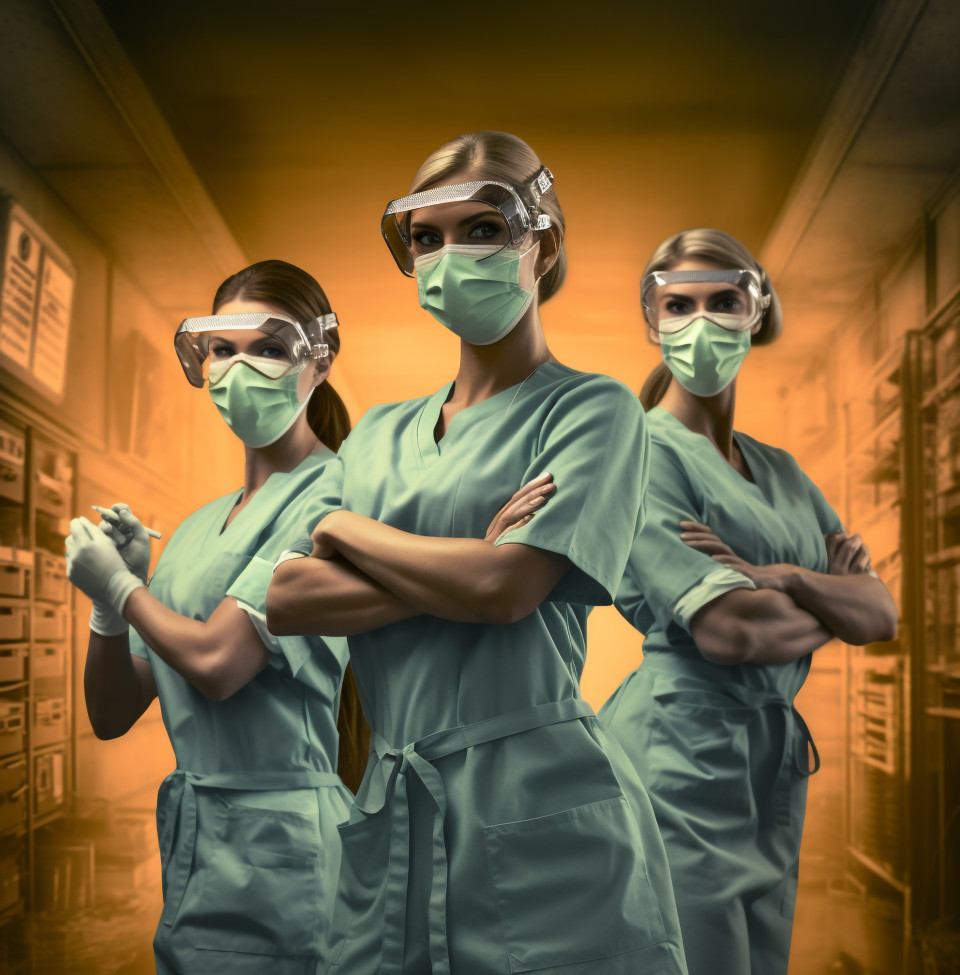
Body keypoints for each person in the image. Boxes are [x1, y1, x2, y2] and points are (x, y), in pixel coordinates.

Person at [267, 131, 688, 975]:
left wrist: (352, 533)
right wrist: (468, 558)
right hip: (393, 812)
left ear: (544, 244)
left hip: (542, 806)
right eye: (427, 237)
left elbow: (506, 590)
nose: (448, 255)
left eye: (483, 230)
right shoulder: (381, 430)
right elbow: (288, 596)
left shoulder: (592, 413)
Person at [598, 228, 899, 975]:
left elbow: (883, 613)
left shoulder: (783, 470)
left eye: (723, 301)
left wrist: (790, 581)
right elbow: (731, 630)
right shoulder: (642, 456)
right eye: (679, 305)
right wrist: (830, 600)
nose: (701, 324)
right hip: (681, 757)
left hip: (772, 766)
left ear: (755, 311)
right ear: (652, 320)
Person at [64, 260, 362, 975]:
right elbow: (111, 710)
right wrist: (115, 604)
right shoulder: (196, 529)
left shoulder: (335, 496)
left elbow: (220, 665)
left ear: (318, 360)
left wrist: (121, 587)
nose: (238, 368)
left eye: (267, 346)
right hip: (197, 842)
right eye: (221, 348)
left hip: (285, 843)